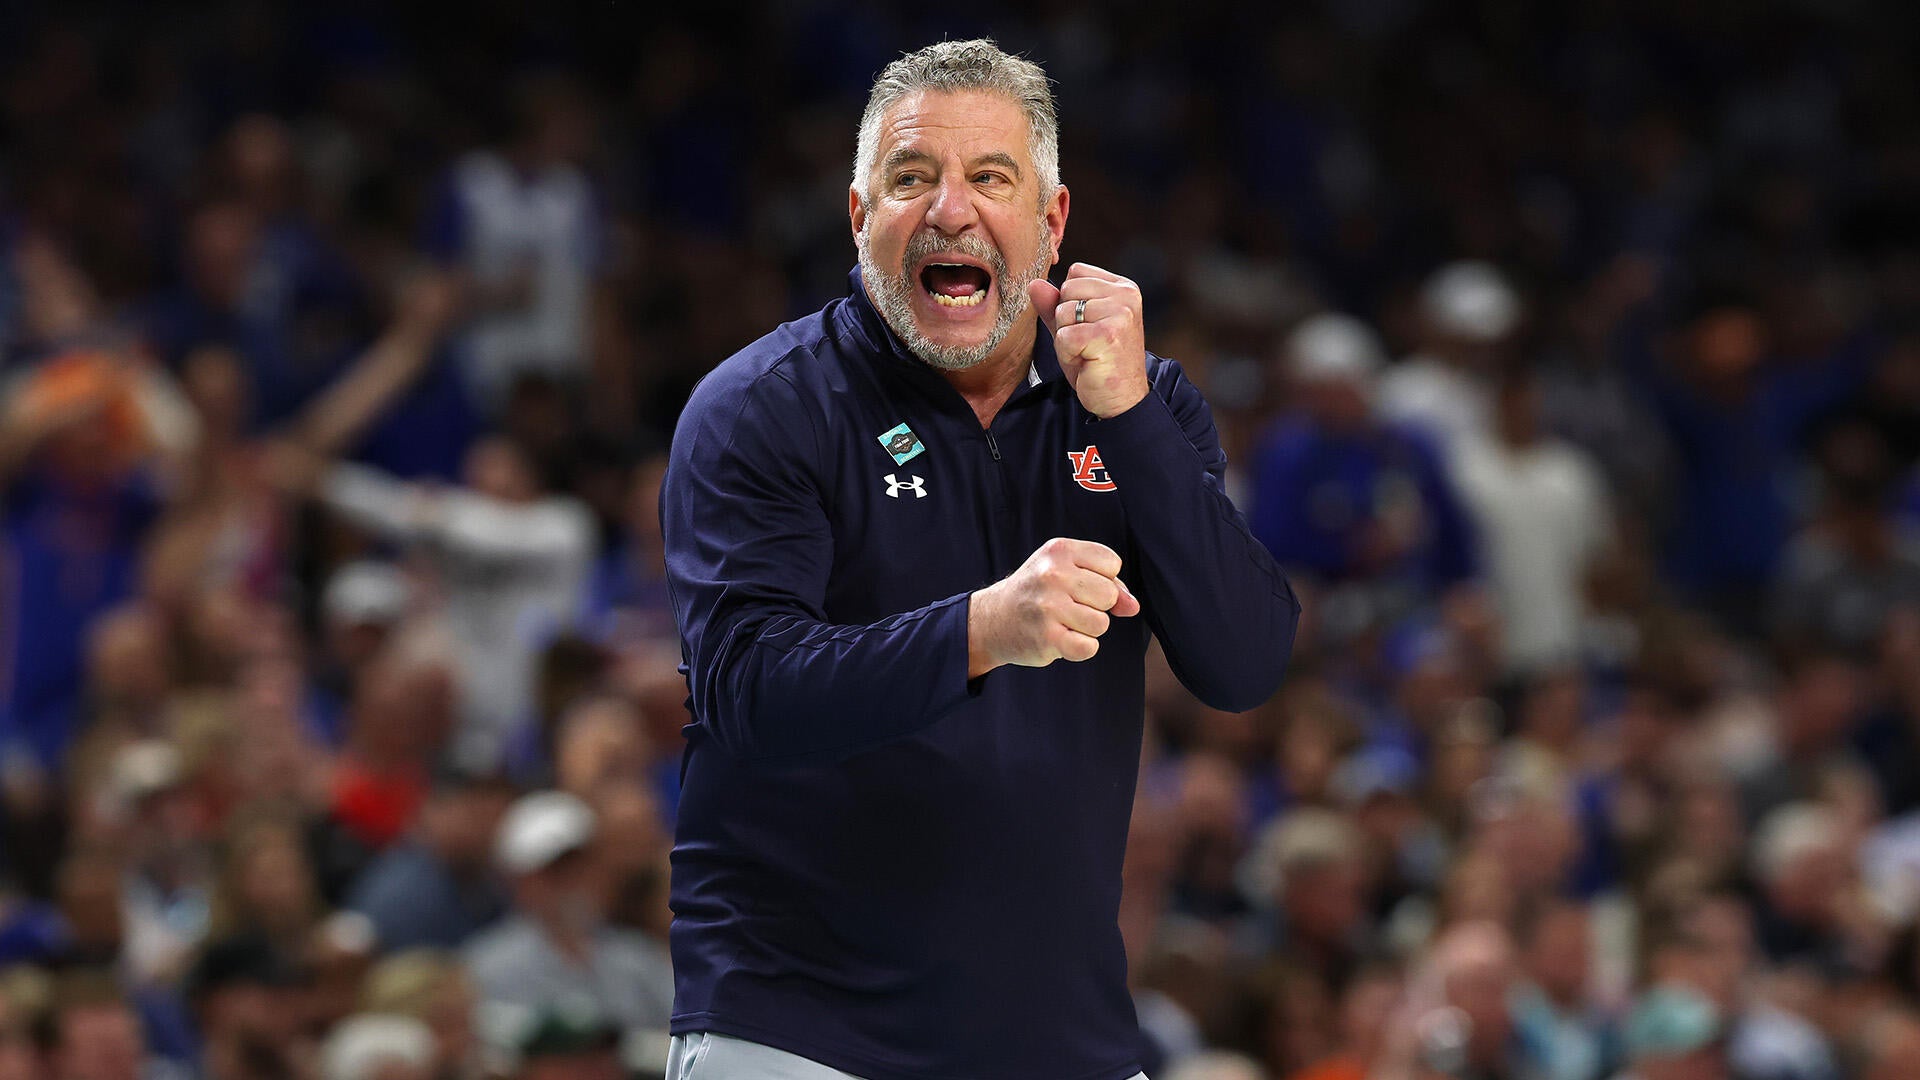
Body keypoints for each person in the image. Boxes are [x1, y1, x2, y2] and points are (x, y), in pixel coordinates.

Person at [660, 39, 1301, 1080]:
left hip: (1062, 1037)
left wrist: (1129, 418)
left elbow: (1244, 664)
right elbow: (747, 689)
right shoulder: (762, 408)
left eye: (989, 178)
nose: (949, 210)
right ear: (861, 218)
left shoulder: (1142, 402)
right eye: (912, 179)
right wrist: (985, 629)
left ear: (1050, 225)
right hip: (798, 1031)